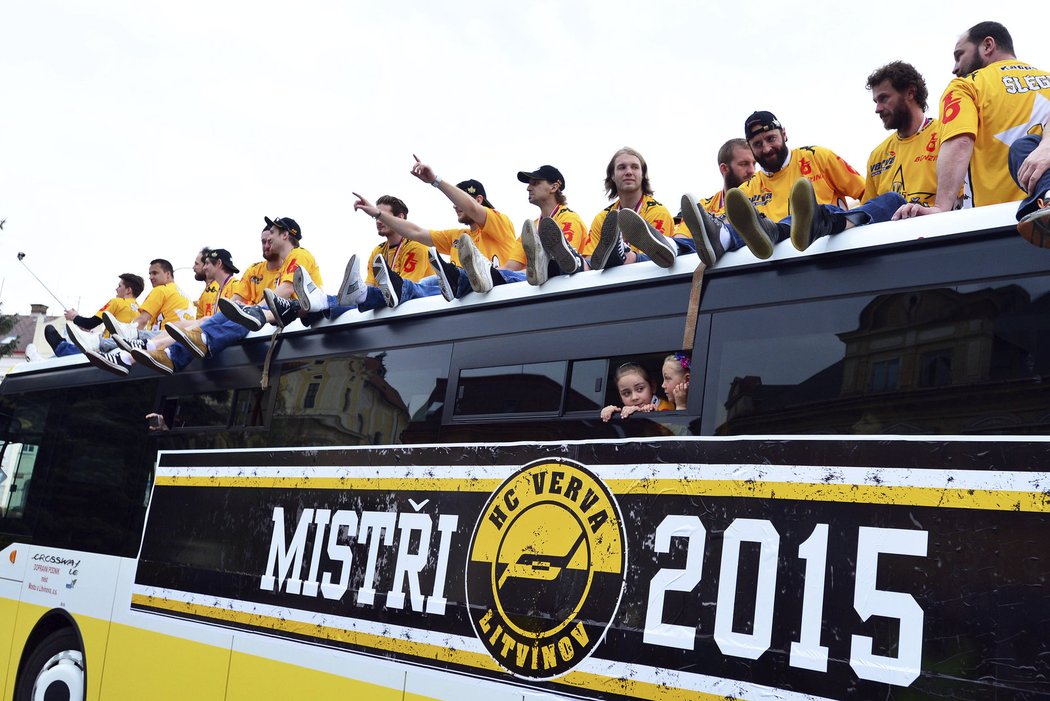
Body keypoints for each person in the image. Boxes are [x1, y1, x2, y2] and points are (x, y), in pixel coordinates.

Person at [892, 22, 1050, 248]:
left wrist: (941, 207)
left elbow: (960, 141)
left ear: (988, 46)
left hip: (996, 227)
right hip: (1040, 215)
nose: (955, 68)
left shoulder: (966, 86)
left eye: (959, 55)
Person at [131, 219, 318, 374]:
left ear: (285, 235)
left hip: (293, 318)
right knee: (215, 318)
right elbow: (239, 304)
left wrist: (253, 310)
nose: (268, 239)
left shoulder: (298, 255)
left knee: (232, 319)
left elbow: (285, 291)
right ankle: (163, 352)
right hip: (274, 317)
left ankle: (152, 345)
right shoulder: (266, 267)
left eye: (273, 233)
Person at [724, 111, 904, 258]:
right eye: (757, 144)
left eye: (771, 139)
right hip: (779, 264)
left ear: (784, 134)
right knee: (729, 231)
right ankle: (710, 241)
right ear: (750, 147)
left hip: (828, 250)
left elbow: (868, 196)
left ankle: (777, 231)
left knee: (819, 211)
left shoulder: (817, 157)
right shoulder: (745, 190)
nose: (766, 148)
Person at [351, 157, 521, 309]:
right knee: (426, 284)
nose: (454, 205)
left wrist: (435, 180)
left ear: (478, 200)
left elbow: (472, 208)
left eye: (457, 200)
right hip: (461, 305)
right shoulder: (458, 236)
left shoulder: (500, 223)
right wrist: (378, 214)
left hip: (496, 301)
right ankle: (364, 294)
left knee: (431, 281)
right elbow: (415, 232)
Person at [293, 195, 434, 321]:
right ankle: (315, 306)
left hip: (411, 307)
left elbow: (403, 290)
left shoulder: (416, 246)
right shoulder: (378, 250)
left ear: (400, 217)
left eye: (382, 215)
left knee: (359, 296)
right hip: (386, 305)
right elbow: (369, 286)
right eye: (376, 217)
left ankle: (322, 303)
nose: (378, 221)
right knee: (355, 298)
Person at [69, 259, 192, 374]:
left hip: (159, 341)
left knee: (127, 336)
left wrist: (74, 317)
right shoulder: (184, 295)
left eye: (155, 273)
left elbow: (141, 321)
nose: (151, 277)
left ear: (168, 274)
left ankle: (94, 342)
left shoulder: (160, 290)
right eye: (150, 274)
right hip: (176, 344)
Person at [588, 147, 686, 270]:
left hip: (648, 281)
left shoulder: (658, 212)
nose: (628, 172)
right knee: (586, 265)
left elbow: (659, 260)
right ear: (612, 175)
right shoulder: (602, 218)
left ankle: (619, 254)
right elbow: (592, 259)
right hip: (609, 283)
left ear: (643, 174)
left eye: (634, 167)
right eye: (622, 167)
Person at [863, 61, 942, 207]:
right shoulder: (877, 156)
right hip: (893, 228)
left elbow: (963, 199)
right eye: (876, 101)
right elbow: (868, 215)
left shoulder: (946, 136)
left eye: (884, 98)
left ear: (910, 93)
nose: (878, 109)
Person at [679, 138, 756, 266]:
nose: (752, 170)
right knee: (677, 247)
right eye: (744, 164)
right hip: (715, 277)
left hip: (754, 268)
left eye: (754, 164)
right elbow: (681, 238)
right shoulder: (703, 205)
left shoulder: (761, 195)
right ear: (724, 169)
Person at [514, 164, 591, 283]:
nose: (528, 188)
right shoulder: (532, 226)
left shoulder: (569, 218)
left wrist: (508, 276)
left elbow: (563, 263)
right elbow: (510, 266)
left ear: (554, 187)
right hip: (544, 290)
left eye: (535, 183)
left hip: (570, 285)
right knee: (500, 276)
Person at [43, 273, 144, 357]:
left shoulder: (117, 302)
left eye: (119, 286)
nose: (116, 289)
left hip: (109, 349)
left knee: (78, 349)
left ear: (128, 290)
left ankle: (61, 347)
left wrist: (74, 317)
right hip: (127, 351)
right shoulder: (141, 311)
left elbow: (90, 323)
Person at [600, 361, 674, 421]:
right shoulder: (626, 411)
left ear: (652, 387)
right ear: (620, 397)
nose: (634, 397)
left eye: (640, 389)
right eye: (626, 393)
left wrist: (647, 414)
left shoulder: (666, 408)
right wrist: (612, 414)